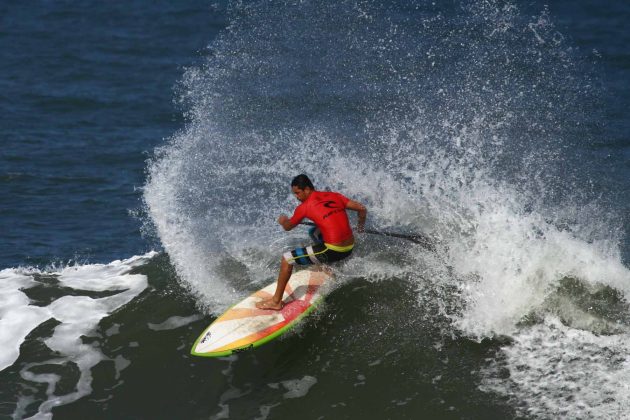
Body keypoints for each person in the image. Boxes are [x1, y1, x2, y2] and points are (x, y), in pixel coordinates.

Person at [256, 174, 367, 310]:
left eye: (297, 193)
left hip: (334, 250)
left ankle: (276, 302)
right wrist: (360, 228)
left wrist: (283, 220)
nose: (296, 197)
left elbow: (288, 227)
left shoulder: (305, 207)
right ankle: (327, 265)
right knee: (314, 231)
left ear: (307, 189)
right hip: (350, 246)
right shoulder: (334, 195)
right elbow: (361, 208)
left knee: (287, 259)